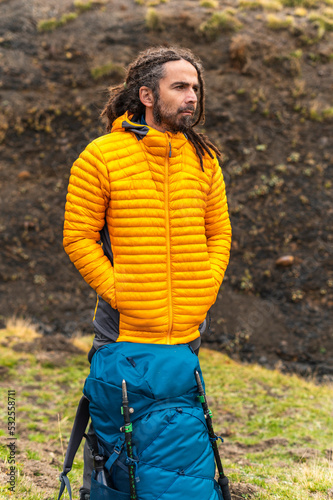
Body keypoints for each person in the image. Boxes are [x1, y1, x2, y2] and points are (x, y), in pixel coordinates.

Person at [63, 46, 232, 500]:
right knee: (114, 438)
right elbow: (77, 237)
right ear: (147, 95)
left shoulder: (203, 159)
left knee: (175, 436)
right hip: (125, 328)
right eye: (180, 87)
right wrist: (120, 290)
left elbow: (219, 234)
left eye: (195, 87)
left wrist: (205, 287)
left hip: (186, 333)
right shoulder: (102, 156)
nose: (192, 96)